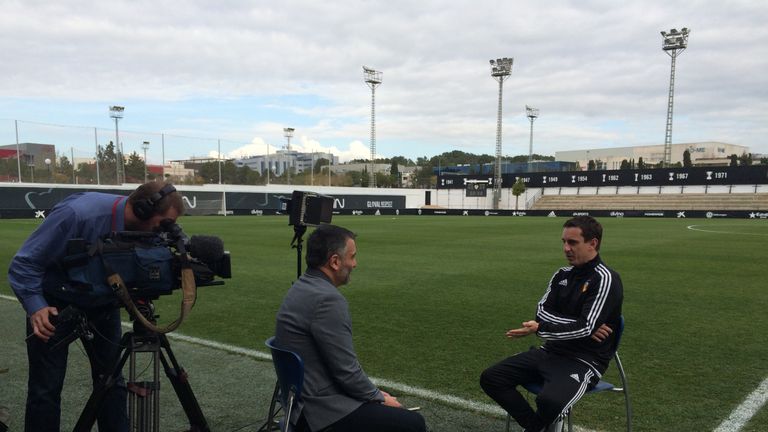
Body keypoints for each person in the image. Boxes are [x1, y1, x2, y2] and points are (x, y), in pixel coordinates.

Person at [8, 181, 184, 432]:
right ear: (142, 211)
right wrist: (36, 307)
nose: (161, 232)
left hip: (102, 300)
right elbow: (24, 264)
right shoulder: (77, 214)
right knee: (46, 387)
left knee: (111, 381)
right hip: (53, 304)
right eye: (161, 224)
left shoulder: (144, 227)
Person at [274, 224, 426, 432]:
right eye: (352, 256)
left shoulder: (302, 286)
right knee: (413, 424)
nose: (355, 264)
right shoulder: (327, 300)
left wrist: (374, 393)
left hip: (299, 405)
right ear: (335, 262)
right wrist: (377, 396)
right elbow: (346, 372)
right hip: (319, 412)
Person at [480, 216, 624, 432]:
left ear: (593, 243)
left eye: (573, 243)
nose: (566, 248)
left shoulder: (605, 278)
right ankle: (536, 427)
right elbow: (542, 312)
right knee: (491, 378)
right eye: (564, 242)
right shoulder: (561, 275)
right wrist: (578, 325)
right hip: (550, 351)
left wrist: (545, 327)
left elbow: (583, 327)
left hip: (584, 360)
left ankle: (536, 427)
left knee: (550, 402)